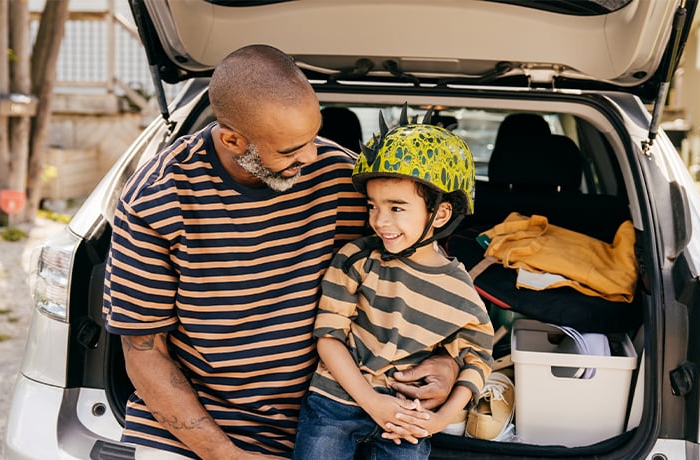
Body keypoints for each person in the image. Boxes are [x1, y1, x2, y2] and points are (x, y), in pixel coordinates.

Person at [102, 44, 460, 460]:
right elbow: (145, 352)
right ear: (233, 139)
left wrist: (447, 361)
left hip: (329, 419)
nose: (311, 157)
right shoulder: (157, 198)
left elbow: (421, 275)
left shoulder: (343, 180)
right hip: (192, 431)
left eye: (313, 136)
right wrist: (226, 455)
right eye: (290, 150)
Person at [292, 111, 495, 460]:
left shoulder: (459, 291)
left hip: (407, 418)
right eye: (372, 206)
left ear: (441, 214)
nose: (379, 221)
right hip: (335, 403)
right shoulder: (356, 259)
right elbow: (329, 338)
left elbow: (477, 359)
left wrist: (437, 421)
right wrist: (371, 402)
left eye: (396, 207)